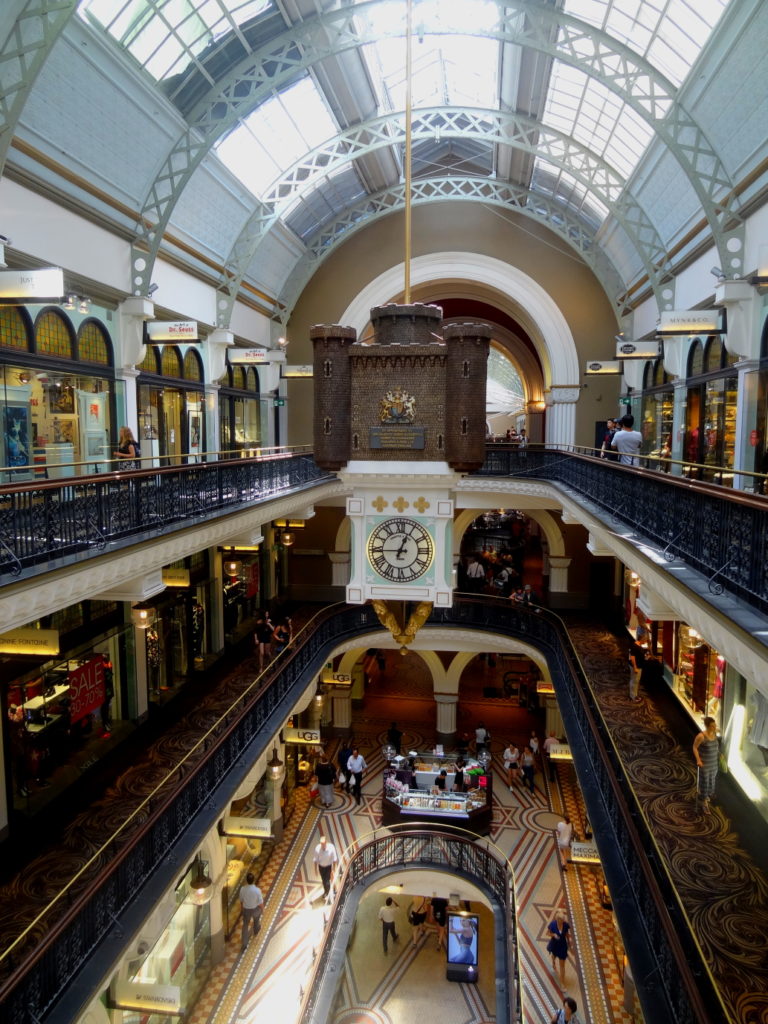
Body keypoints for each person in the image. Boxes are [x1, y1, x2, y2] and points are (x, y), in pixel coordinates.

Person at [693, 715, 720, 810]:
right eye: (712, 726)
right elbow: (695, 747)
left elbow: (715, 746)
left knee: (712, 781)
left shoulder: (714, 734)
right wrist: (698, 760)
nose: (714, 727)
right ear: (707, 726)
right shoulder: (701, 736)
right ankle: (703, 801)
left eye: (715, 725)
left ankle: (707, 795)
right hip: (705, 763)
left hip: (713, 763)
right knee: (705, 782)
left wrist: (719, 754)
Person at [239, 871, 264, 951]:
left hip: (246, 910)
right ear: (253, 880)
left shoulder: (243, 889)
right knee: (256, 919)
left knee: (245, 925)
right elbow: (260, 903)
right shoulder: (257, 890)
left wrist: (242, 908)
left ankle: (244, 943)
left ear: (246, 880)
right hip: (255, 909)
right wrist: (262, 910)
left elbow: (241, 900)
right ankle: (256, 929)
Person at [546, 909, 571, 985]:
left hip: (562, 946)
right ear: (558, 919)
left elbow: (567, 934)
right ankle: (553, 962)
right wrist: (553, 935)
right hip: (555, 944)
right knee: (553, 956)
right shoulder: (553, 924)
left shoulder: (565, 925)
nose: (563, 921)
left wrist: (569, 943)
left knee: (562, 965)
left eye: (563, 920)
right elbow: (547, 933)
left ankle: (562, 983)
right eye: (562, 920)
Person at [628, 637, 646, 701]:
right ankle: (633, 696)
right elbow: (632, 657)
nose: (646, 641)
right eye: (645, 640)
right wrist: (635, 667)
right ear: (642, 639)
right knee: (634, 681)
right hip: (636, 667)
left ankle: (634, 695)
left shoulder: (638, 645)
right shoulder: (634, 646)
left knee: (635, 681)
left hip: (638, 666)